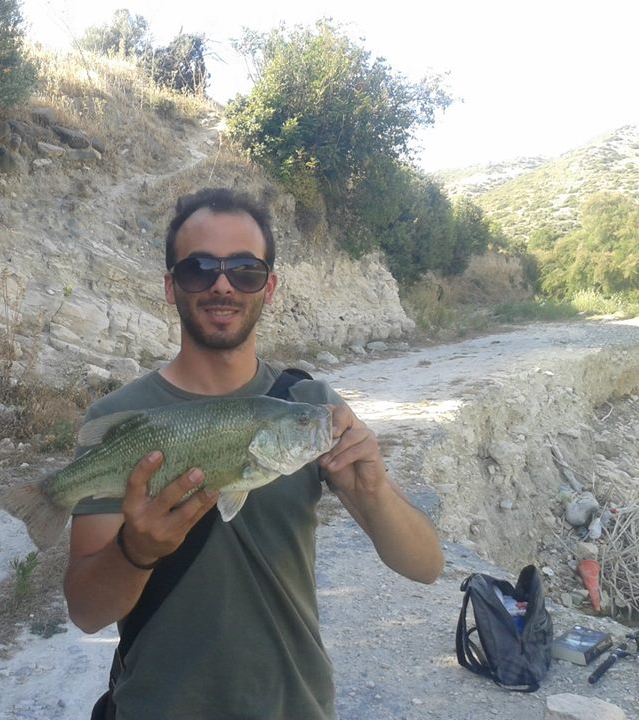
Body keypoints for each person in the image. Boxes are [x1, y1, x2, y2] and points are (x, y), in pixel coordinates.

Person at [64, 187, 444, 719]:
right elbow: (85, 612)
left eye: (245, 269)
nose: (222, 284)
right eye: (200, 269)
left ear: (269, 287)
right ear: (172, 287)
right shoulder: (124, 417)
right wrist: (136, 551)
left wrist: (376, 493)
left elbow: (425, 566)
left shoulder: (311, 409)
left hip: (294, 706)